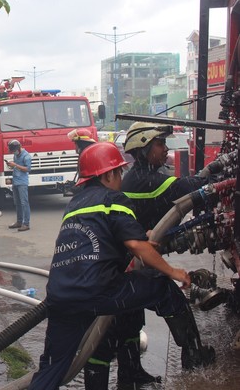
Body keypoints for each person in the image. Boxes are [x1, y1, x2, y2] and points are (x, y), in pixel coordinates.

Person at [28, 142, 215, 390]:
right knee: (161, 286)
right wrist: (174, 272)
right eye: (118, 172)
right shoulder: (114, 199)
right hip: (99, 290)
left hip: (60, 296)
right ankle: (193, 354)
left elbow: (101, 239)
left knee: (52, 368)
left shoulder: (74, 205)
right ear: (107, 175)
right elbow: (137, 246)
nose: (121, 177)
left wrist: (141, 236)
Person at [82, 122, 216, 389]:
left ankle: (131, 372)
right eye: (159, 144)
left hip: (116, 266)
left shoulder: (128, 181)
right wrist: (216, 170)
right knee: (169, 296)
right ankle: (193, 355)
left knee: (129, 317)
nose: (165, 149)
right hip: (122, 266)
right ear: (143, 148)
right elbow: (187, 189)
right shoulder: (146, 180)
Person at [7, 139, 31, 231]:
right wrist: (11, 165)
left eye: (13, 150)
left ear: (18, 148)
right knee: (17, 203)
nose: (13, 152)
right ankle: (19, 221)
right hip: (16, 181)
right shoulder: (16, 155)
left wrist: (15, 165)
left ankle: (26, 223)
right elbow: (16, 166)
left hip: (22, 182)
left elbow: (28, 169)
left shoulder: (26, 156)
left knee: (24, 203)